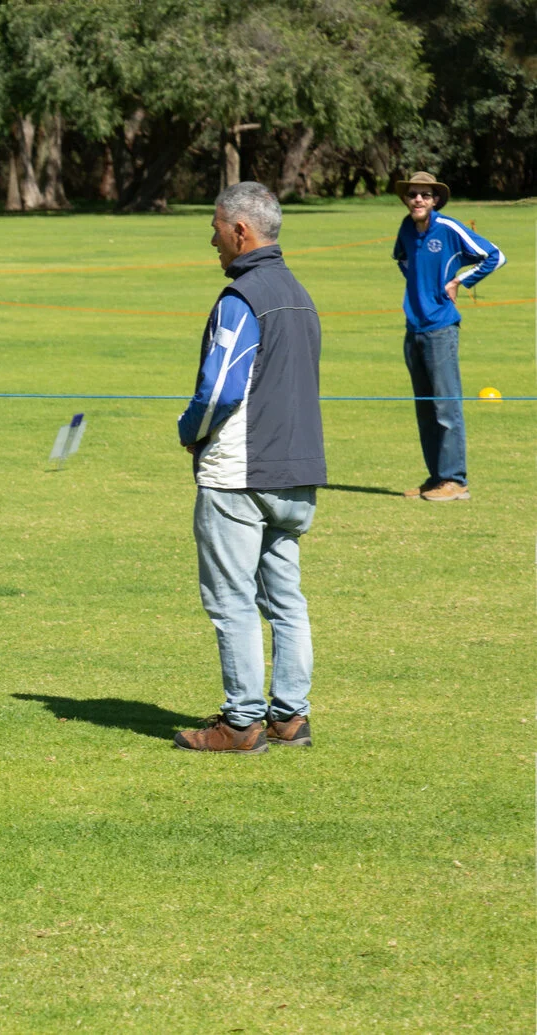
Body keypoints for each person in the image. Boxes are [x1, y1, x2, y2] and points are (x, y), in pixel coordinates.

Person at [173, 182, 326, 754]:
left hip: (241, 472)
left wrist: (191, 432)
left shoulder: (242, 298)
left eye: (215, 227)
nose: (211, 238)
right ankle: (291, 717)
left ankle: (241, 724)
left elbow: (221, 388)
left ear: (241, 231)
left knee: (231, 599)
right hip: (296, 470)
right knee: (286, 600)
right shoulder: (300, 293)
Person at [390, 171, 506, 502]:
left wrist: (460, 282)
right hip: (413, 328)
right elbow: (401, 258)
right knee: (425, 407)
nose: (418, 200)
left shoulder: (449, 228)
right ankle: (437, 478)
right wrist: (418, 287)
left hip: (441, 328)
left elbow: (495, 256)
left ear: (435, 200)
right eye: (413, 194)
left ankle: (457, 480)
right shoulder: (406, 229)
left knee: (446, 406)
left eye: (425, 195)